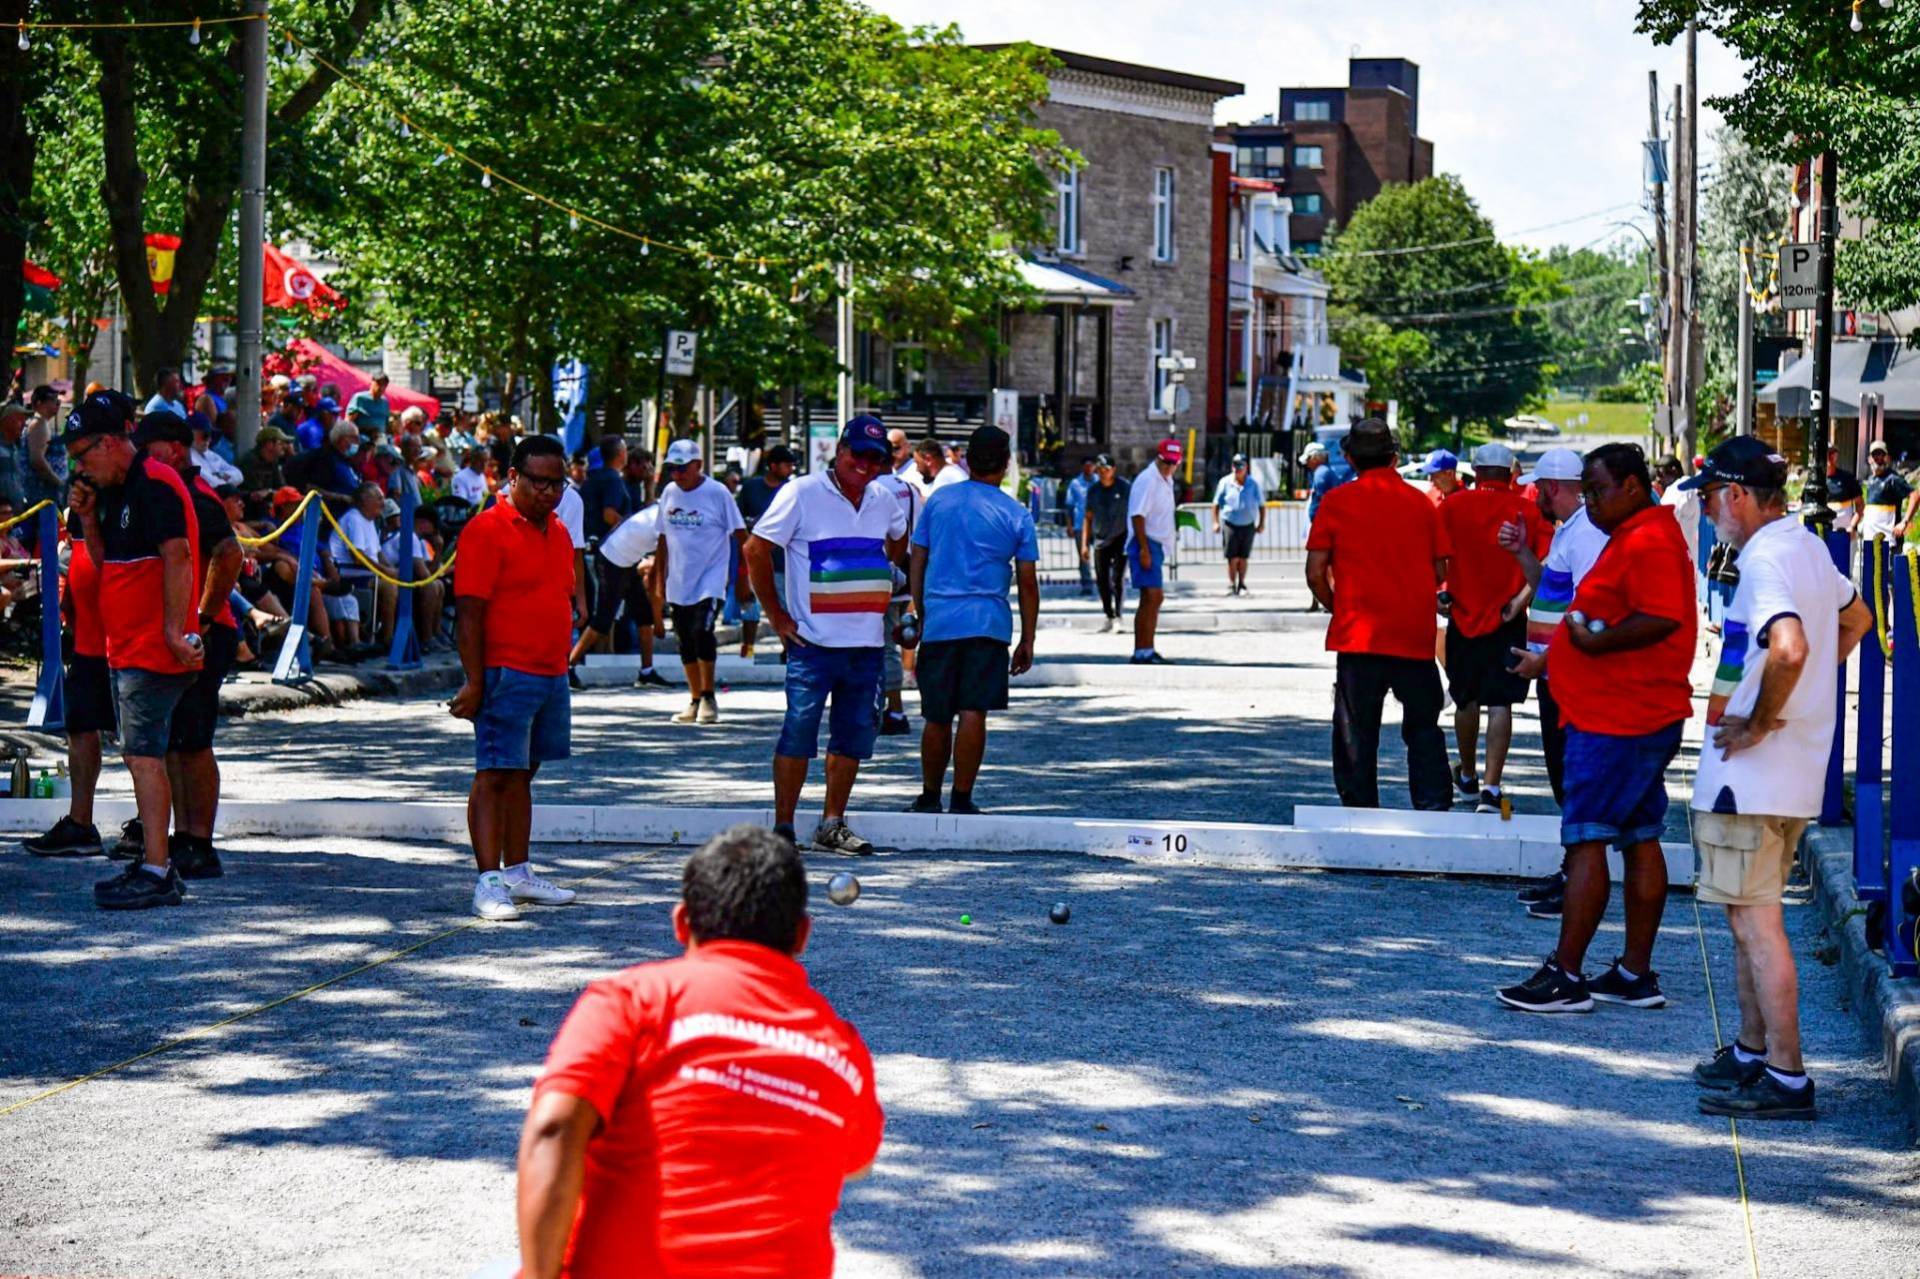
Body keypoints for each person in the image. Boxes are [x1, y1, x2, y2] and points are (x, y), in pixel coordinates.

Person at [513, 824, 882, 1279]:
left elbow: (554, 1126)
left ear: (682, 922)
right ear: (802, 935)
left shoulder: (635, 999)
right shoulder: (842, 1047)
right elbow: (857, 1161)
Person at [1672, 439, 1874, 1118]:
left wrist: (1761, 718)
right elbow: (1857, 618)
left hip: (1748, 775)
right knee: (1744, 917)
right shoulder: (1809, 546)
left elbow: (1789, 646)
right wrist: (1806, 696)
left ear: (1736, 495)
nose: (1707, 510)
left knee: (1756, 925)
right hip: (1784, 774)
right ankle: (1756, 1051)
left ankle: (1787, 1073)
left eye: (1709, 497)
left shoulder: (1763, 560)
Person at [1499, 443, 1697, 1013]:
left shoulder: (1650, 537)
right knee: (1638, 835)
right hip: (1627, 712)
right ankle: (1634, 973)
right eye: (1583, 490)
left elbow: (1662, 617)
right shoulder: (1635, 535)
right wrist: (1557, 655)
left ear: (1633, 486)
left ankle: (1566, 974)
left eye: (1597, 489)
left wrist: (1591, 639)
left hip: (1619, 717)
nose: (1588, 500)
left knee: (1587, 837)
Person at [63, 396, 206, 910]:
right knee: (140, 753)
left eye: (83, 454)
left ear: (109, 443)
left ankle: (156, 869)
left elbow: (180, 556)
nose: (80, 467)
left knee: (144, 756)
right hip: (126, 646)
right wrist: (89, 518)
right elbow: (108, 564)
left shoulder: (155, 483)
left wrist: (173, 630)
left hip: (150, 647)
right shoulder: (119, 491)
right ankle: (153, 860)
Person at [742, 417, 907, 854]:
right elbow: (755, 549)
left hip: (867, 643)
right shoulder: (801, 492)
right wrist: (776, 615)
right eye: (859, 454)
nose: (866, 465)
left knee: (852, 737)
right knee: (798, 732)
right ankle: (784, 827)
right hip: (811, 644)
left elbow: (898, 536)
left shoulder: (884, 498)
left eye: (877, 459)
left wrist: (880, 573)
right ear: (840, 449)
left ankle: (832, 823)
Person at [450, 435, 581, 922]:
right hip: (505, 670)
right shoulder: (486, 529)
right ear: (512, 478)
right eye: (539, 482)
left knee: (525, 772)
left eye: (557, 483)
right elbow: (468, 612)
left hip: (550, 670)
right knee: (494, 772)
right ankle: (487, 881)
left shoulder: (561, 532)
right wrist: (475, 680)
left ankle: (519, 872)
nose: (549, 491)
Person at [1304, 418, 1452, 812]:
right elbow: (1441, 570)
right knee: (1423, 726)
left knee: (1356, 728)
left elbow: (1315, 572)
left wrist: (1340, 607)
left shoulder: (1335, 503)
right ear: (1394, 457)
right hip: (1411, 633)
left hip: (1359, 634)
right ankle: (1433, 805)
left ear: (1349, 457)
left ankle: (1359, 808)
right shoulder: (1421, 503)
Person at [1500, 446, 1612, 918]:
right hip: (1558, 671)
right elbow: (1551, 586)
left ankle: (1579, 880)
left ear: (1550, 488)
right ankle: (1573, 871)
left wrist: (1547, 664)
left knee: (1572, 780)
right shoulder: (1573, 531)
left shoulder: (1584, 534)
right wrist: (1523, 553)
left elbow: (1587, 608)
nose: (1533, 496)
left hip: (1567, 675)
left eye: (1536, 488)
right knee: (1564, 777)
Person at [137, 412, 245, 881]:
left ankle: (200, 839)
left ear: (175, 450)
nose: (141, 454)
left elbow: (230, 554)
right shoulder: (162, 493)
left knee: (195, 742)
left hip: (206, 631)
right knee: (176, 742)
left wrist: (201, 615)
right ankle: (183, 836)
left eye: (149, 445)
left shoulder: (196, 497)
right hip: (182, 633)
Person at [908, 425, 1038, 815]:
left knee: (935, 715)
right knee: (972, 712)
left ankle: (929, 795)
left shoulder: (939, 501)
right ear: (1006, 462)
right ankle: (962, 798)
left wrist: (921, 609)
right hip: (988, 624)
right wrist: (1027, 638)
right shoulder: (1016, 514)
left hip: (941, 621)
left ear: (965, 458)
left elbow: (917, 559)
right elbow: (1028, 584)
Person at [1437, 443, 1552, 814]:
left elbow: (1435, 555)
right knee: (1501, 702)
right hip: (1508, 617)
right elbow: (1548, 561)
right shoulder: (1527, 510)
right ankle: (1492, 787)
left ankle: (1467, 776)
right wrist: (1521, 600)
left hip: (1463, 614)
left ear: (1475, 470)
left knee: (1465, 697)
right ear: (1511, 473)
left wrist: (1444, 590)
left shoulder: (1451, 507)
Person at [22, 504, 121, 861]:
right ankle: (81, 823)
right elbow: (74, 557)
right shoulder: (81, 505)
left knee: (138, 743)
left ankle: (147, 828)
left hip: (126, 640)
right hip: (86, 640)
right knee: (79, 727)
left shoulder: (132, 498)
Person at [656, 439, 746, 725]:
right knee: (684, 639)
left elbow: (741, 536)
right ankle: (694, 697)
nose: (678, 474)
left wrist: (744, 579)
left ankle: (709, 696)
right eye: (673, 469)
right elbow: (662, 539)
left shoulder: (718, 493)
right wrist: (659, 580)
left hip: (711, 577)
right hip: (679, 579)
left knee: (702, 631)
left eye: (683, 468)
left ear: (698, 465)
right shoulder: (669, 493)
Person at [568, 502, 672, 688]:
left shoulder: (663, 510)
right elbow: (657, 577)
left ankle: (646, 672)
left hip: (626, 559)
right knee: (603, 621)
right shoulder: (669, 522)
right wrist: (659, 620)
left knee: (643, 616)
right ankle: (568, 668)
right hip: (612, 558)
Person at [865, 440, 921, 736]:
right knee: (896, 641)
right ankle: (886, 705)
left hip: (884, 572)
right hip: (909, 573)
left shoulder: (876, 491)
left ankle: (895, 709)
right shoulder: (909, 488)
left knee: (885, 645)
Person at [735, 445, 796, 662]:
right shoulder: (751, 488)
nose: (790, 469)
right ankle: (747, 651)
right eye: (787, 465)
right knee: (750, 609)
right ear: (773, 466)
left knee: (785, 608)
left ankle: (789, 651)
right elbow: (737, 521)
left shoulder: (791, 490)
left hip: (782, 561)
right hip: (753, 558)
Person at [1126, 438, 1181, 665]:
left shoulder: (1165, 479)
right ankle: (1143, 651)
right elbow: (1138, 515)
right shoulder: (1148, 480)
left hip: (1155, 544)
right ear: (1158, 458)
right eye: (1166, 462)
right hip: (1146, 543)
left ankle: (1145, 649)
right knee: (1152, 597)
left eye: (1174, 463)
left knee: (1151, 600)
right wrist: (1144, 549)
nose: (1169, 466)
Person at [1081, 453, 1130, 632]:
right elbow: (1087, 517)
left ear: (1113, 470)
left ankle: (1118, 615)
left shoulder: (1124, 488)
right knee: (1102, 580)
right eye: (1100, 469)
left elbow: (1135, 512)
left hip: (1121, 538)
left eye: (1106, 469)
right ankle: (1108, 615)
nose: (1103, 473)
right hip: (1100, 540)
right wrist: (1084, 544)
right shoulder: (1093, 490)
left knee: (1117, 578)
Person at [1211, 452, 1265, 596]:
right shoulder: (1225, 482)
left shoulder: (1253, 484)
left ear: (1246, 467)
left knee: (1243, 557)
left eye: (1240, 465)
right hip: (1230, 523)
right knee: (1232, 557)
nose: (1237, 468)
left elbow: (1261, 505)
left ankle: (1241, 583)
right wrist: (1215, 522)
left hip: (1248, 524)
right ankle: (1231, 584)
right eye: (1235, 465)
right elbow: (1216, 503)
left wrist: (1261, 523)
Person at [580, 434, 631, 544]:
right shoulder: (613, 479)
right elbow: (609, 515)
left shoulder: (593, 478)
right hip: (605, 542)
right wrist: (630, 531)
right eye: (626, 451)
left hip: (589, 539)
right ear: (621, 454)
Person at [1860, 440, 1913, 545]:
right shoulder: (1870, 480)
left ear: (1887, 458)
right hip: (1870, 539)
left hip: (1889, 541)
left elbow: (1915, 495)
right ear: (1869, 459)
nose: (1878, 458)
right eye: (1875, 455)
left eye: (1881, 454)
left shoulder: (1893, 478)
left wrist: (1905, 522)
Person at [1065, 456, 1097, 598]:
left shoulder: (1100, 481)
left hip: (1098, 525)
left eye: (1091, 465)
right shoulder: (1075, 484)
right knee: (1084, 556)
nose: (1089, 468)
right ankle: (1087, 584)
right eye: (1086, 466)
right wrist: (1069, 525)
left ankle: (1106, 584)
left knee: (1103, 556)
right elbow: (1069, 505)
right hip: (1080, 525)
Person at [238, 424, 293, 495]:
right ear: (269, 444)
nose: (285, 446)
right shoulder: (249, 462)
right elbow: (256, 494)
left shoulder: (273, 461)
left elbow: (281, 488)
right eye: (280, 443)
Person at [1824, 449, 1864, 535]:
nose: (1829, 458)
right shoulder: (1817, 479)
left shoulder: (1847, 478)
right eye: (1826, 455)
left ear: (1836, 457)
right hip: (1825, 532)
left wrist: (1852, 526)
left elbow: (1860, 505)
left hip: (1846, 532)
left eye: (1832, 454)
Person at [345, 372, 392, 439]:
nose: (381, 387)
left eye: (384, 385)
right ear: (372, 382)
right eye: (378, 383)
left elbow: (386, 425)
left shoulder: (385, 402)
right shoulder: (360, 398)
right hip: (362, 441)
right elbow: (348, 422)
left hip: (380, 442)